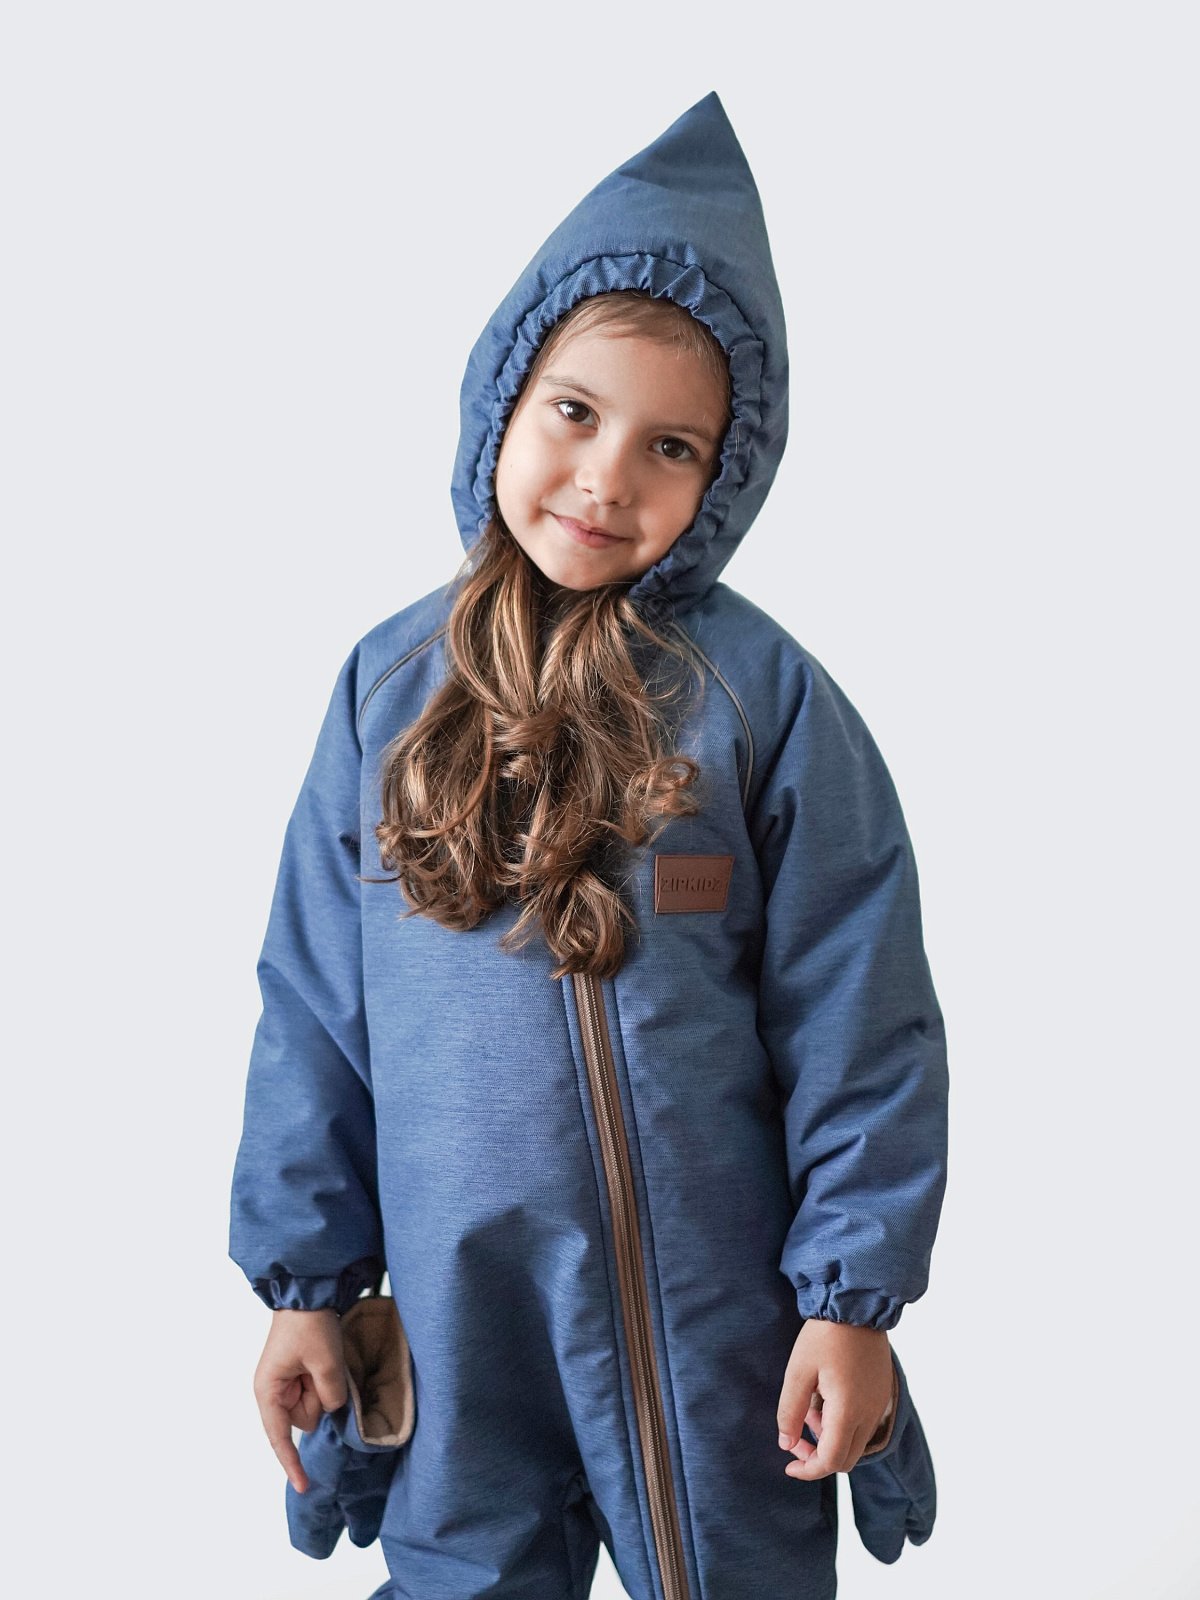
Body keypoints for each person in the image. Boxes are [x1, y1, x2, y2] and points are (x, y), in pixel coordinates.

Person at [229, 90, 948, 1600]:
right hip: (456, 1320)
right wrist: (307, 1283)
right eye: (574, 412)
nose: (609, 477)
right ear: (503, 396)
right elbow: (313, 1011)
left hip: (713, 1318)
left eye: (669, 445)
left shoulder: (761, 703)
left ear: (725, 477)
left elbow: (860, 1015)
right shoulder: (384, 693)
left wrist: (851, 1301)